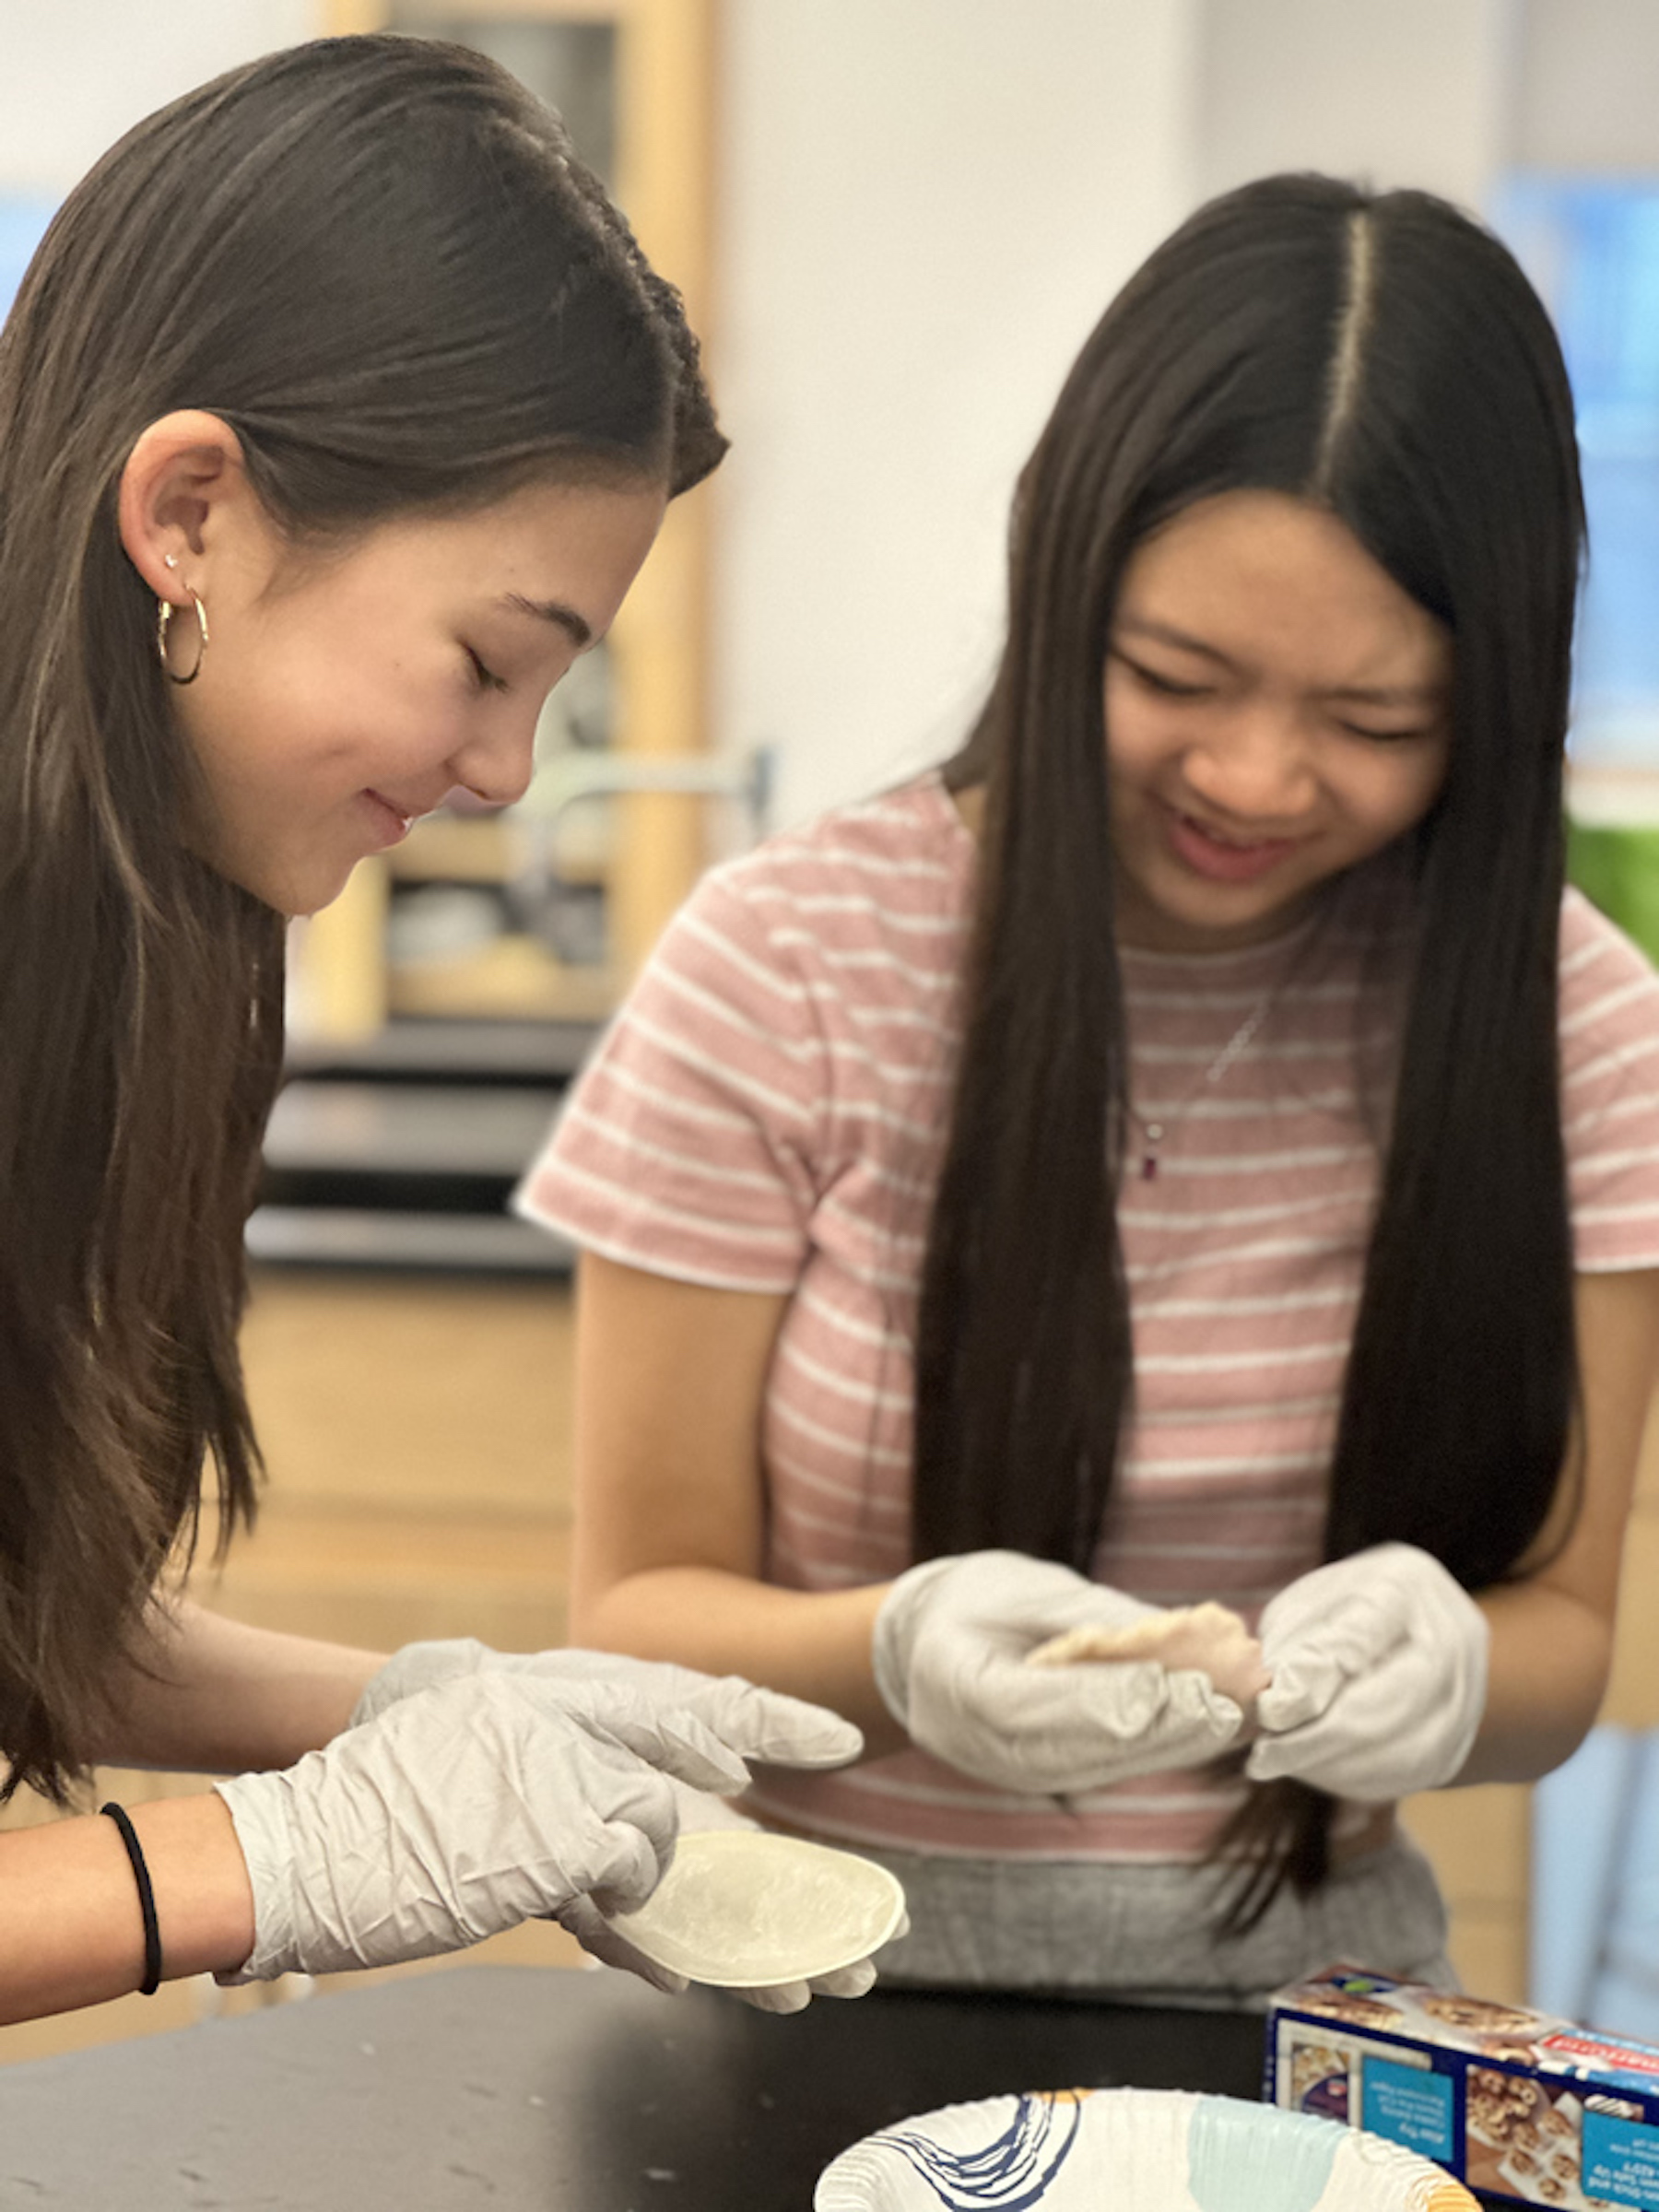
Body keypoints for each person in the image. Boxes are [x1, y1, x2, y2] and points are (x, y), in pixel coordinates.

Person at [517, 173, 1659, 2004]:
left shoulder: (1572, 1030)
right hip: (796, 1996)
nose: (1261, 778)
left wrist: (1455, 1664)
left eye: (1376, 722)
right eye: (1178, 675)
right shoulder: (789, 964)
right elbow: (632, 1617)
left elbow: (1559, 1661)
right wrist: (893, 1652)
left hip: (1317, 2009)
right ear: (1065, 590)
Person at [0, 32, 876, 2027]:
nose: (506, 769)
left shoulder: (140, 944)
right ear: (194, 513)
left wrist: (440, 1719)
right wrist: (279, 1861)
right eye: (491, 661)